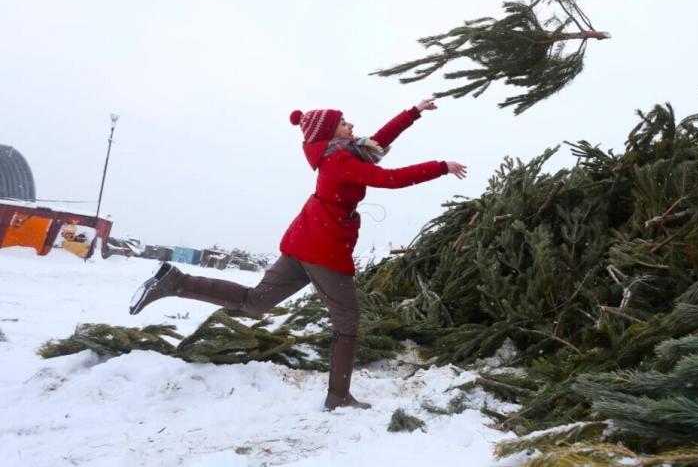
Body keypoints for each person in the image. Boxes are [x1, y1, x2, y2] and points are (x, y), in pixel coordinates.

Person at [129, 99, 466, 410]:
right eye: (344, 123)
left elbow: (379, 140)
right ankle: (339, 396)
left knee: (255, 301)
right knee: (347, 320)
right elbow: (389, 179)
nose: (352, 125)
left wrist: (414, 112)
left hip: (304, 240)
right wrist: (441, 166)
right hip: (325, 248)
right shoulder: (342, 161)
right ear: (331, 133)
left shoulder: (345, 154)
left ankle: (175, 281)